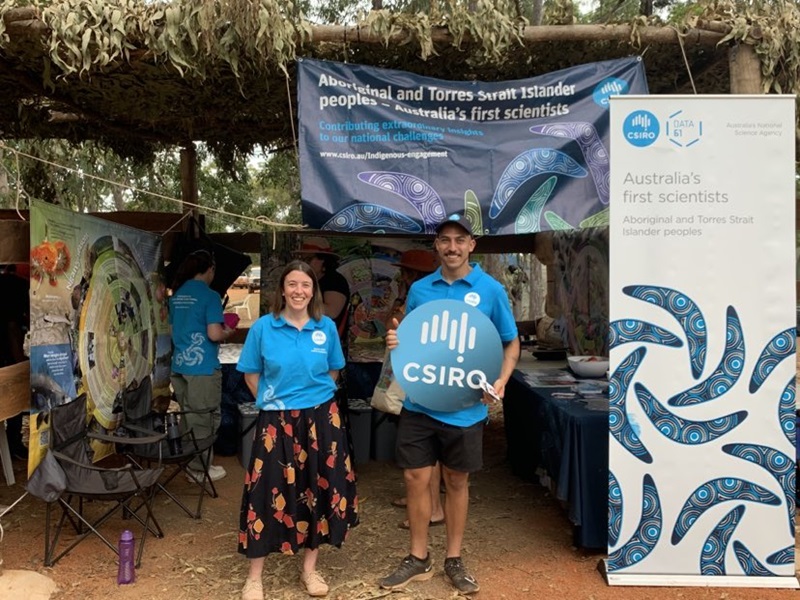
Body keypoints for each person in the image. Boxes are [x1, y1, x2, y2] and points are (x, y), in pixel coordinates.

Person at [379, 214, 520, 595]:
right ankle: (418, 557)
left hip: (464, 405)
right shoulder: (421, 289)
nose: (452, 247)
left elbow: (510, 342)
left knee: (457, 480)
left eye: (460, 240)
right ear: (436, 245)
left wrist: (502, 381)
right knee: (415, 478)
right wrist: (396, 342)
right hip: (422, 402)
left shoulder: (490, 290)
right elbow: (411, 338)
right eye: (445, 240)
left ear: (471, 245)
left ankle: (453, 559)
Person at [236, 260, 358, 600]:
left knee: (316, 489)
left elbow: (333, 372)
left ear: (313, 291)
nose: (299, 291)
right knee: (265, 490)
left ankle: (309, 570)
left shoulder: (326, 327)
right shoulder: (263, 328)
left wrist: (312, 401)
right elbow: (250, 375)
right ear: (282, 290)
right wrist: (276, 402)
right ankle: (255, 578)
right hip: (276, 420)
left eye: (305, 285)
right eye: (292, 284)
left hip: (321, 419)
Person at [383, 250, 444, 531]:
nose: (401, 275)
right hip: (419, 373)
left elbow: (399, 328)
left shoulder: (422, 298)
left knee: (426, 446)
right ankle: (422, 502)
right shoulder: (412, 296)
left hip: (424, 376)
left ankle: (432, 508)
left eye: (405, 271)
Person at [169, 249, 236, 482]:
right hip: (202, 368)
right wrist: (228, 332)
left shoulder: (177, 294)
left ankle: (191, 461)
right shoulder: (210, 296)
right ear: (210, 269)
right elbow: (214, 334)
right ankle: (199, 469)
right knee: (205, 417)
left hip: (179, 366)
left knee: (188, 415)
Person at [294, 237, 349, 338]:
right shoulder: (311, 280)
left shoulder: (334, 280)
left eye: (308, 259)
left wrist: (296, 303)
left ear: (323, 260)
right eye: (302, 259)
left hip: (326, 341)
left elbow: (332, 312)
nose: (304, 264)